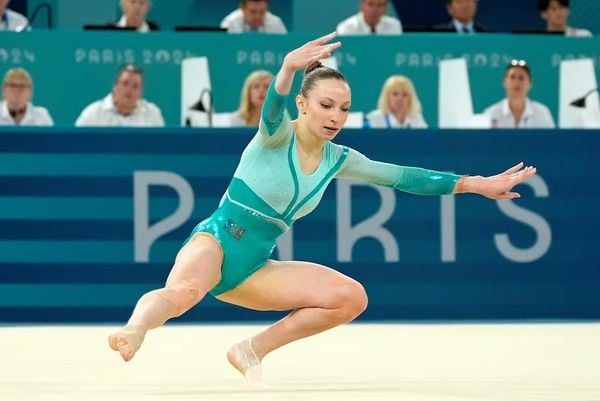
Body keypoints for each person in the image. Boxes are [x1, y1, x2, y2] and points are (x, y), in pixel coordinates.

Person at [108, 33, 537, 386]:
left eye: (344, 108)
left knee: (351, 298)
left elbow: (404, 177)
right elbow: (272, 106)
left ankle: (252, 349)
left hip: (256, 266)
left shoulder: (339, 158)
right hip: (218, 240)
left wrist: (474, 184)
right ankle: (135, 329)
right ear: (303, 104)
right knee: (182, 294)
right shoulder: (276, 135)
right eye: (326, 105)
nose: (336, 116)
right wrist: (287, 69)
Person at [75, 63, 164, 127]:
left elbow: (161, 149)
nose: (129, 89)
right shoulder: (94, 113)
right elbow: (76, 145)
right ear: (115, 86)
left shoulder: (152, 114)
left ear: (141, 92)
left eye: (135, 86)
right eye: (125, 83)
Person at [483, 59, 555, 128]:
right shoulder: (491, 114)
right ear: (504, 82)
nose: (516, 82)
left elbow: (552, 140)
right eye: (512, 77)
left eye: (521, 78)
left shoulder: (542, 113)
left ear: (530, 84)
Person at [336, 0, 402, 35]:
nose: (375, 9)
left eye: (380, 5)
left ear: (386, 8)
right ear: (361, 5)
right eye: (370, 4)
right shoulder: (346, 27)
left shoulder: (394, 25)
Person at [220, 0, 287, 34]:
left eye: (262, 12)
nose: (257, 16)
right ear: (242, 9)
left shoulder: (276, 23)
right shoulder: (230, 23)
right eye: (253, 12)